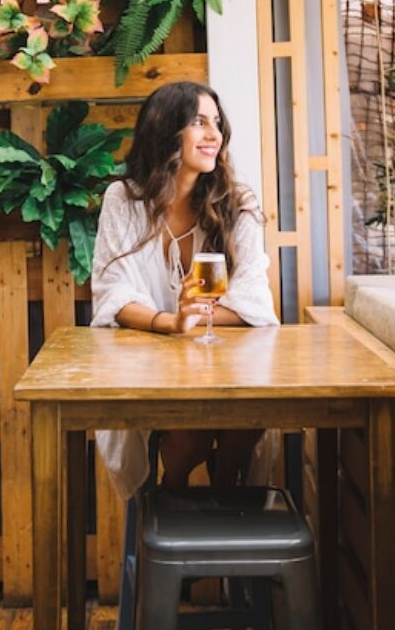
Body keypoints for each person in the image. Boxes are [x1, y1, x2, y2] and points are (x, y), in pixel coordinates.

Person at [91, 81, 279, 499]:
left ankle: (228, 500)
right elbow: (114, 292)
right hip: (146, 361)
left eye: (217, 123)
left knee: (244, 423)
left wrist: (194, 320)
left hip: (227, 363)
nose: (214, 135)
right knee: (186, 433)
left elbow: (254, 301)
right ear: (166, 130)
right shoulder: (124, 200)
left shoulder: (237, 204)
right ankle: (170, 499)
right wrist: (170, 323)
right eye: (199, 122)